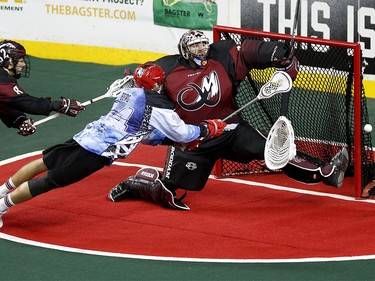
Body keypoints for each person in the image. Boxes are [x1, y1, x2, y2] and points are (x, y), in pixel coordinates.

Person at [108, 29, 349, 210]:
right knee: (168, 192)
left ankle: (325, 171)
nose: (201, 50)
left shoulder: (221, 55)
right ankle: (136, 183)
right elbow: (144, 85)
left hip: (231, 131)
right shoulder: (167, 68)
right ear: (184, 50)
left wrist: (279, 55)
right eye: (195, 47)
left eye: (203, 44)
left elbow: (248, 53)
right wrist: (134, 85)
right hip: (193, 141)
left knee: (274, 149)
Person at [0, 62, 227, 227]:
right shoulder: (158, 104)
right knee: (50, 181)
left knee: (44, 162)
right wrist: (207, 128)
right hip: (98, 150)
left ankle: (2, 191)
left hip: (86, 136)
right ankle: (2, 206)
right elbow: (183, 132)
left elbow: (138, 131)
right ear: (157, 83)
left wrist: (169, 141)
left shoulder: (128, 93)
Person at [0, 40, 85, 136]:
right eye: (21, 61)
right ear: (10, 62)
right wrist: (57, 105)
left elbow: (4, 106)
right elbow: (25, 102)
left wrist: (20, 120)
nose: (23, 64)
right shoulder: (3, 81)